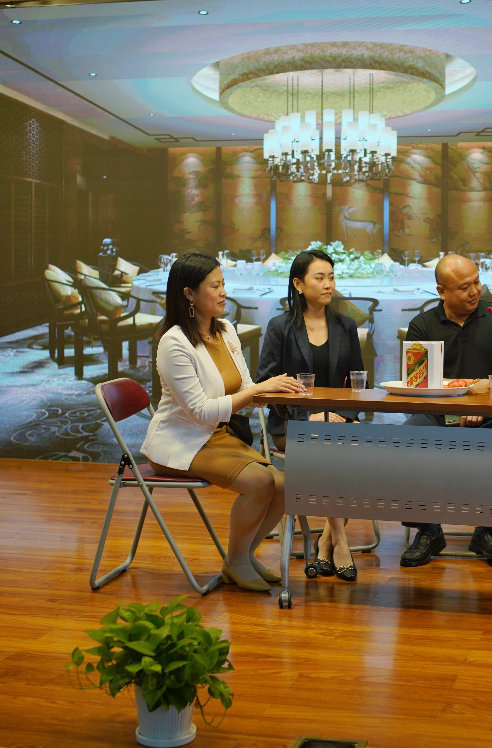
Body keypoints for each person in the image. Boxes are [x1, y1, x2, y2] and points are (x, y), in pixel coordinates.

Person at [141, 252, 306, 593]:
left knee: (284, 484)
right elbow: (201, 412)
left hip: (216, 436)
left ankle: (241, 555)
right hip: (180, 442)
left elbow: (245, 388)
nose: (223, 292)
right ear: (189, 293)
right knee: (261, 482)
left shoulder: (226, 330)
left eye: (223, 284)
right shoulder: (174, 342)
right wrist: (259, 390)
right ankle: (237, 561)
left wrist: (278, 391)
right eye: (214, 286)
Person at [398, 254, 492, 567]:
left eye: (477, 282)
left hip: (491, 415)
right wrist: (460, 405)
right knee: (405, 440)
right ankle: (428, 530)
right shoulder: (422, 325)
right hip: (436, 414)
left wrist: (490, 391)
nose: (474, 291)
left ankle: (488, 530)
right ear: (442, 291)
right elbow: (417, 382)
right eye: (464, 287)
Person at [256, 249, 367, 582]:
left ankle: (325, 541)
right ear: (299, 284)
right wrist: (308, 418)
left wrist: (340, 414)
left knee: (340, 444)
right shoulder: (280, 327)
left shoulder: (346, 325)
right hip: (291, 425)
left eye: (331, 277)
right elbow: (266, 385)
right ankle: (340, 541)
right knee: (330, 447)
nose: (328, 284)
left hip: (339, 422)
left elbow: (358, 383)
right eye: (319, 278)